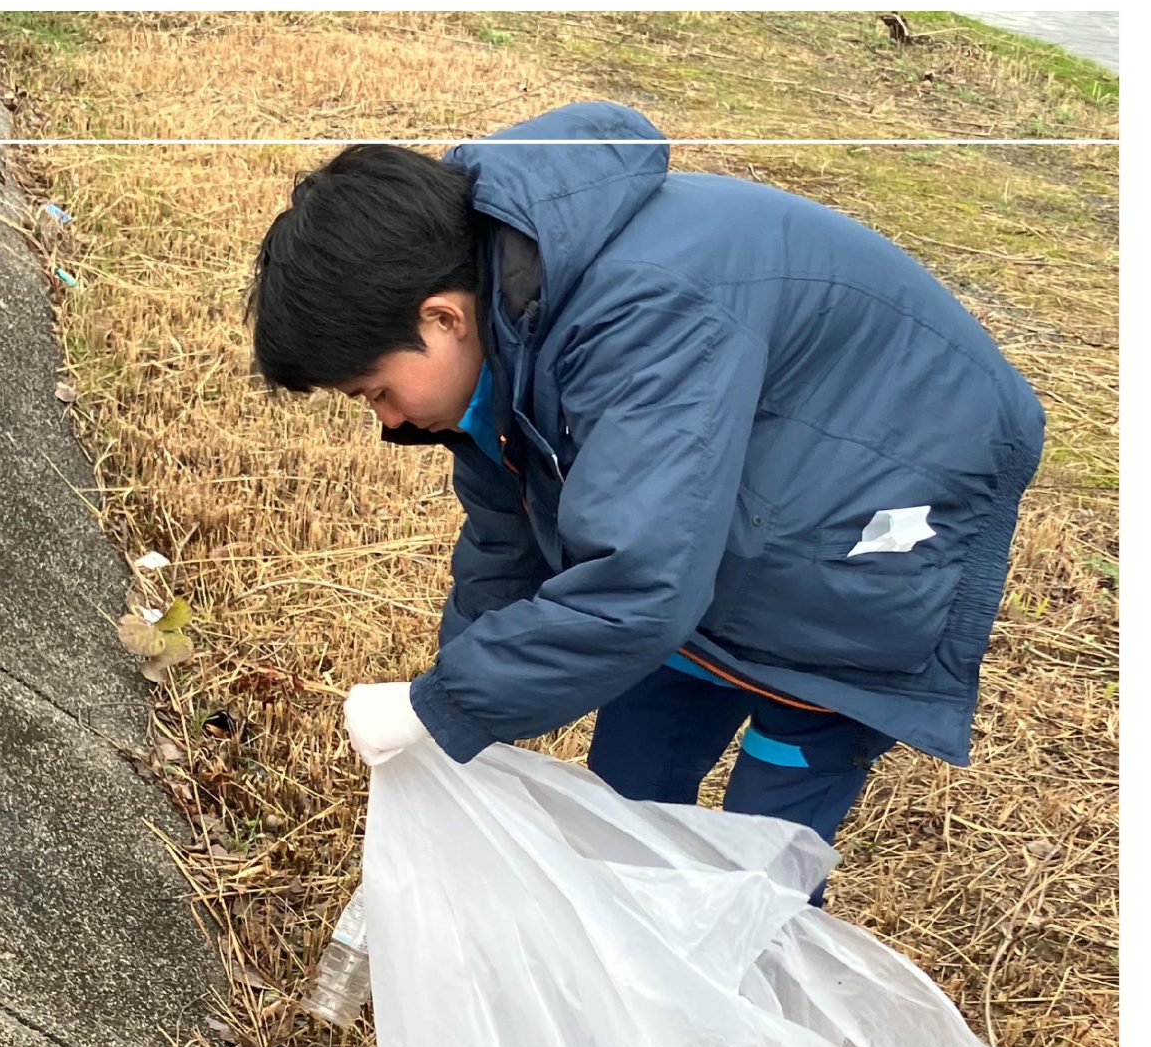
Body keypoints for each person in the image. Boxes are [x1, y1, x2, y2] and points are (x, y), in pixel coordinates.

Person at [247, 101, 1044, 889]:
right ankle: (643, 972)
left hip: (891, 473)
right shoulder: (509, 322)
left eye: (374, 391)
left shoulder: (639, 314)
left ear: (441, 317)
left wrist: (439, 704)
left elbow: (638, 587)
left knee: (758, 857)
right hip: (760, 483)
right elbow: (509, 539)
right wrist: (454, 711)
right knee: (630, 789)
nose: (387, 420)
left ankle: (744, 996)